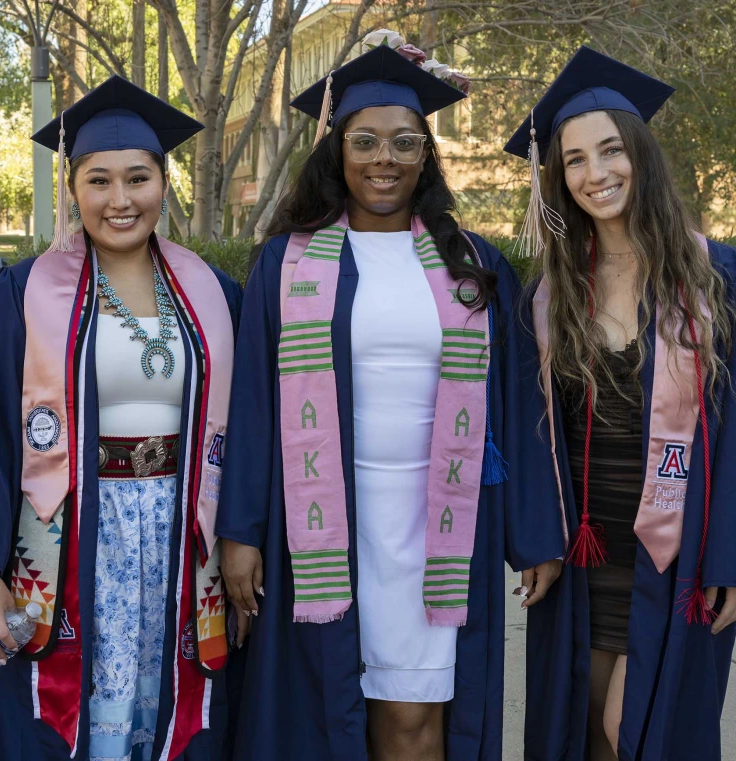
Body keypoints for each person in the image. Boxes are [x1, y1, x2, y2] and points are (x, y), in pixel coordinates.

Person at [216, 34, 567, 761]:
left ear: (424, 153)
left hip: (438, 522)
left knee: (416, 717)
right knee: (327, 712)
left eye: (405, 142)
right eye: (366, 140)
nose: (385, 158)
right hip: (321, 518)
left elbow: (516, 405)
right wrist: (241, 531)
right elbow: (252, 406)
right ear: (337, 149)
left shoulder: (471, 263)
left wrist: (532, 534)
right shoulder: (288, 262)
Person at [0, 75, 243, 761]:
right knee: (67, 715)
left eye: (138, 178)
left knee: (171, 712)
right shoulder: (21, 292)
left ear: (164, 182)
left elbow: (247, 431)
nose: (121, 199)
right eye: (98, 180)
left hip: (179, 537)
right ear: (73, 188)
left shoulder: (214, 293)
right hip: (66, 537)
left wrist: (241, 538)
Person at [503, 47, 736, 761]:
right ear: (558, 179)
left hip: (680, 552)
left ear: (642, 155)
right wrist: (537, 538)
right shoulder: (552, 292)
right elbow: (532, 430)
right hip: (587, 552)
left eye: (611, 151)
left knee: (640, 733)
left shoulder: (721, 278)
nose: (596, 174)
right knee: (588, 731)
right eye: (573, 160)